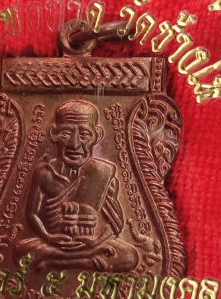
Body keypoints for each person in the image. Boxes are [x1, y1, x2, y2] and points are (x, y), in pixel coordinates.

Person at [13, 99, 138, 272]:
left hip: (90, 244)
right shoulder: (44, 173)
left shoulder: (103, 172)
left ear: (97, 135)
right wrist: (48, 237)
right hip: (55, 243)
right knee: (20, 250)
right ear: (54, 134)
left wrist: (96, 241)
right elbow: (32, 213)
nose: (75, 144)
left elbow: (115, 222)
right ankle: (80, 261)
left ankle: (59, 263)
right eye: (65, 134)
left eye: (85, 135)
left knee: (129, 256)